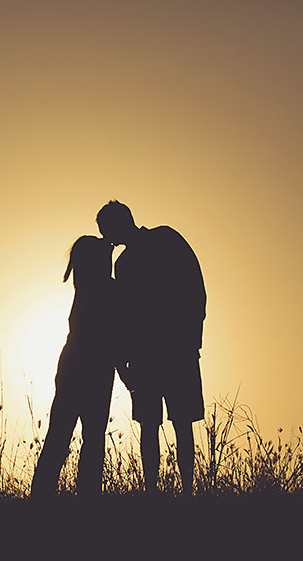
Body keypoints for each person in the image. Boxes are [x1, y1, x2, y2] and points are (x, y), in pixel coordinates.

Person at [97, 200, 206, 495]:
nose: (106, 239)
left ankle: (187, 492)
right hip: (145, 357)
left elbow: (195, 288)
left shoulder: (166, 238)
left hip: (177, 350)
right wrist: (124, 361)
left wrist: (192, 338)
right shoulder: (123, 264)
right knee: (150, 425)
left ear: (119, 223)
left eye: (106, 230)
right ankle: (151, 492)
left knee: (182, 424)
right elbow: (125, 314)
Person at [31, 235, 125, 497]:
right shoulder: (108, 289)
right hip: (95, 368)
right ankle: (87, 498)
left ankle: (41, 496)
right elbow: (112, 338)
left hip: (71, 365)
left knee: (59, 436)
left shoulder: (83, 285)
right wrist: (126, 372)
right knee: (93, 439)